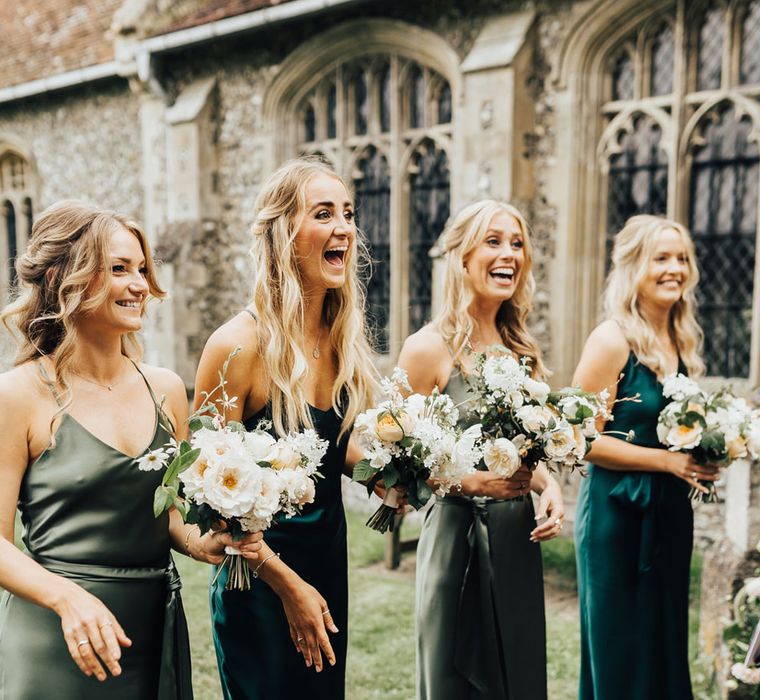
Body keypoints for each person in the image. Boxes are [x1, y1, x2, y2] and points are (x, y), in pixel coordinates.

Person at [0, 200, 262, 699]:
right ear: (64, 279)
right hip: (58, 637)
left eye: (141, 269)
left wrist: (201, 541)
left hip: (151, 629)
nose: (140, 284)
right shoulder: (16, 395)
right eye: (119, 269)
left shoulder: (165, 390)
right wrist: (66, 599)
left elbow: (169, 514)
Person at [195, 157, 379, 700]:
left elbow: (331, 446)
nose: (344, 227)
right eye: (324, 214)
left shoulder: (339, 337)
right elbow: (207, 495)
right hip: (256, 577)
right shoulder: (237, 345)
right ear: (283, 235)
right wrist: (288, 586)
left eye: (347, 213)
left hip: (326, 560)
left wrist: (386, 473)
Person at [397, 199, 564, 700]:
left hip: (516, 537)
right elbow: (395, 463)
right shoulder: (429, 348)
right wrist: (470, 482)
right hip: (456, 539)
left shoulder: (522, 348)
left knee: (518, 674)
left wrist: (549, 483)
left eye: (516, 244)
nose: (508, 254)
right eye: (493, 241)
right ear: (461, 257)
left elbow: (520, 450)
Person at [573, 215, 719, 700]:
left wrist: (707, 450)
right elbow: (579, 439)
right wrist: (668, 464)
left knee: (664, 642)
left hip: (670, 514)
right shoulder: (612, 340)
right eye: (661, 258)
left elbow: (676, 433)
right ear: (634, 265)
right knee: (621, 649)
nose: (675, 268)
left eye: (682, 258)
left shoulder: (682, 341)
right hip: (617, 519)